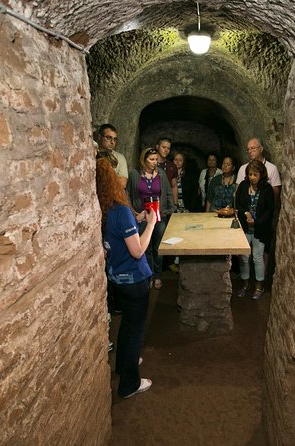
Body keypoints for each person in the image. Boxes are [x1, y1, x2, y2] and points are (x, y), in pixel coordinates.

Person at [96, 158, 155, 399]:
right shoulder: (121, 211)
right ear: (112, 180)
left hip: (117, 280)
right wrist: (150, 224)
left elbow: (119, 235)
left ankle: (123, 364)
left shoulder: (105, 209)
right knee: (135, 331)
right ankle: (130, 384)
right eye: (115, 173)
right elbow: (138, 250)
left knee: (127, 326)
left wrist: (137, 220)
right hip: (134, 280)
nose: (122, 177)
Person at [126, 148, 175, 289]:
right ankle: (148, 275)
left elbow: (167, 193)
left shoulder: (161, 174)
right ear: (143, 159)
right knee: (144, 248)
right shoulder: (135, 174)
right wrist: (134, 213)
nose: (155, 162)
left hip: (158, 217)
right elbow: (128, 194)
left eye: (156, 159)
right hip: (142, 217)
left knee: (157, 247)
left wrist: (171, 208)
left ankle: (158, 276)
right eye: (152, 159)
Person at [234, 160, 275, 300]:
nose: (252, 177)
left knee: (258, 257)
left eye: (255, 175)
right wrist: (246, 214)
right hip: (245, 228)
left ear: (261, 175)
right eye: (250, 174)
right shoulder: (244, 186)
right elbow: (239, 203)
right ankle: (245, 284)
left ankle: (259, 286)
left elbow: (269, 211)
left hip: (260, 229)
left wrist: (256, 221)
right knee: (244, 257)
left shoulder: (267, 189)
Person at [236, 138, 281, 206]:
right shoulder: (243, 168)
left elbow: (275, 195)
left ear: (261, 149)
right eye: (248, 149)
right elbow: (238, 193)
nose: (250, 151)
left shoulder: (272, 168)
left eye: (253, 148)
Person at [97, 124, 128, 188]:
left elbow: (122, 183)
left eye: (115, 139)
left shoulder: (120, 157)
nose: (112, 142)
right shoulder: (91, 154)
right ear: (100, 137)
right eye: (108, 138)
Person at [155, 137, 178, 206]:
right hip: (152, 200)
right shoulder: (150, 163)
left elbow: (174, 186)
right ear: (157, 147)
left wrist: (175, 204)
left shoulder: (172, 166)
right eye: (164, 147)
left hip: (167, 202)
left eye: (168, 148)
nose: (166, 150)